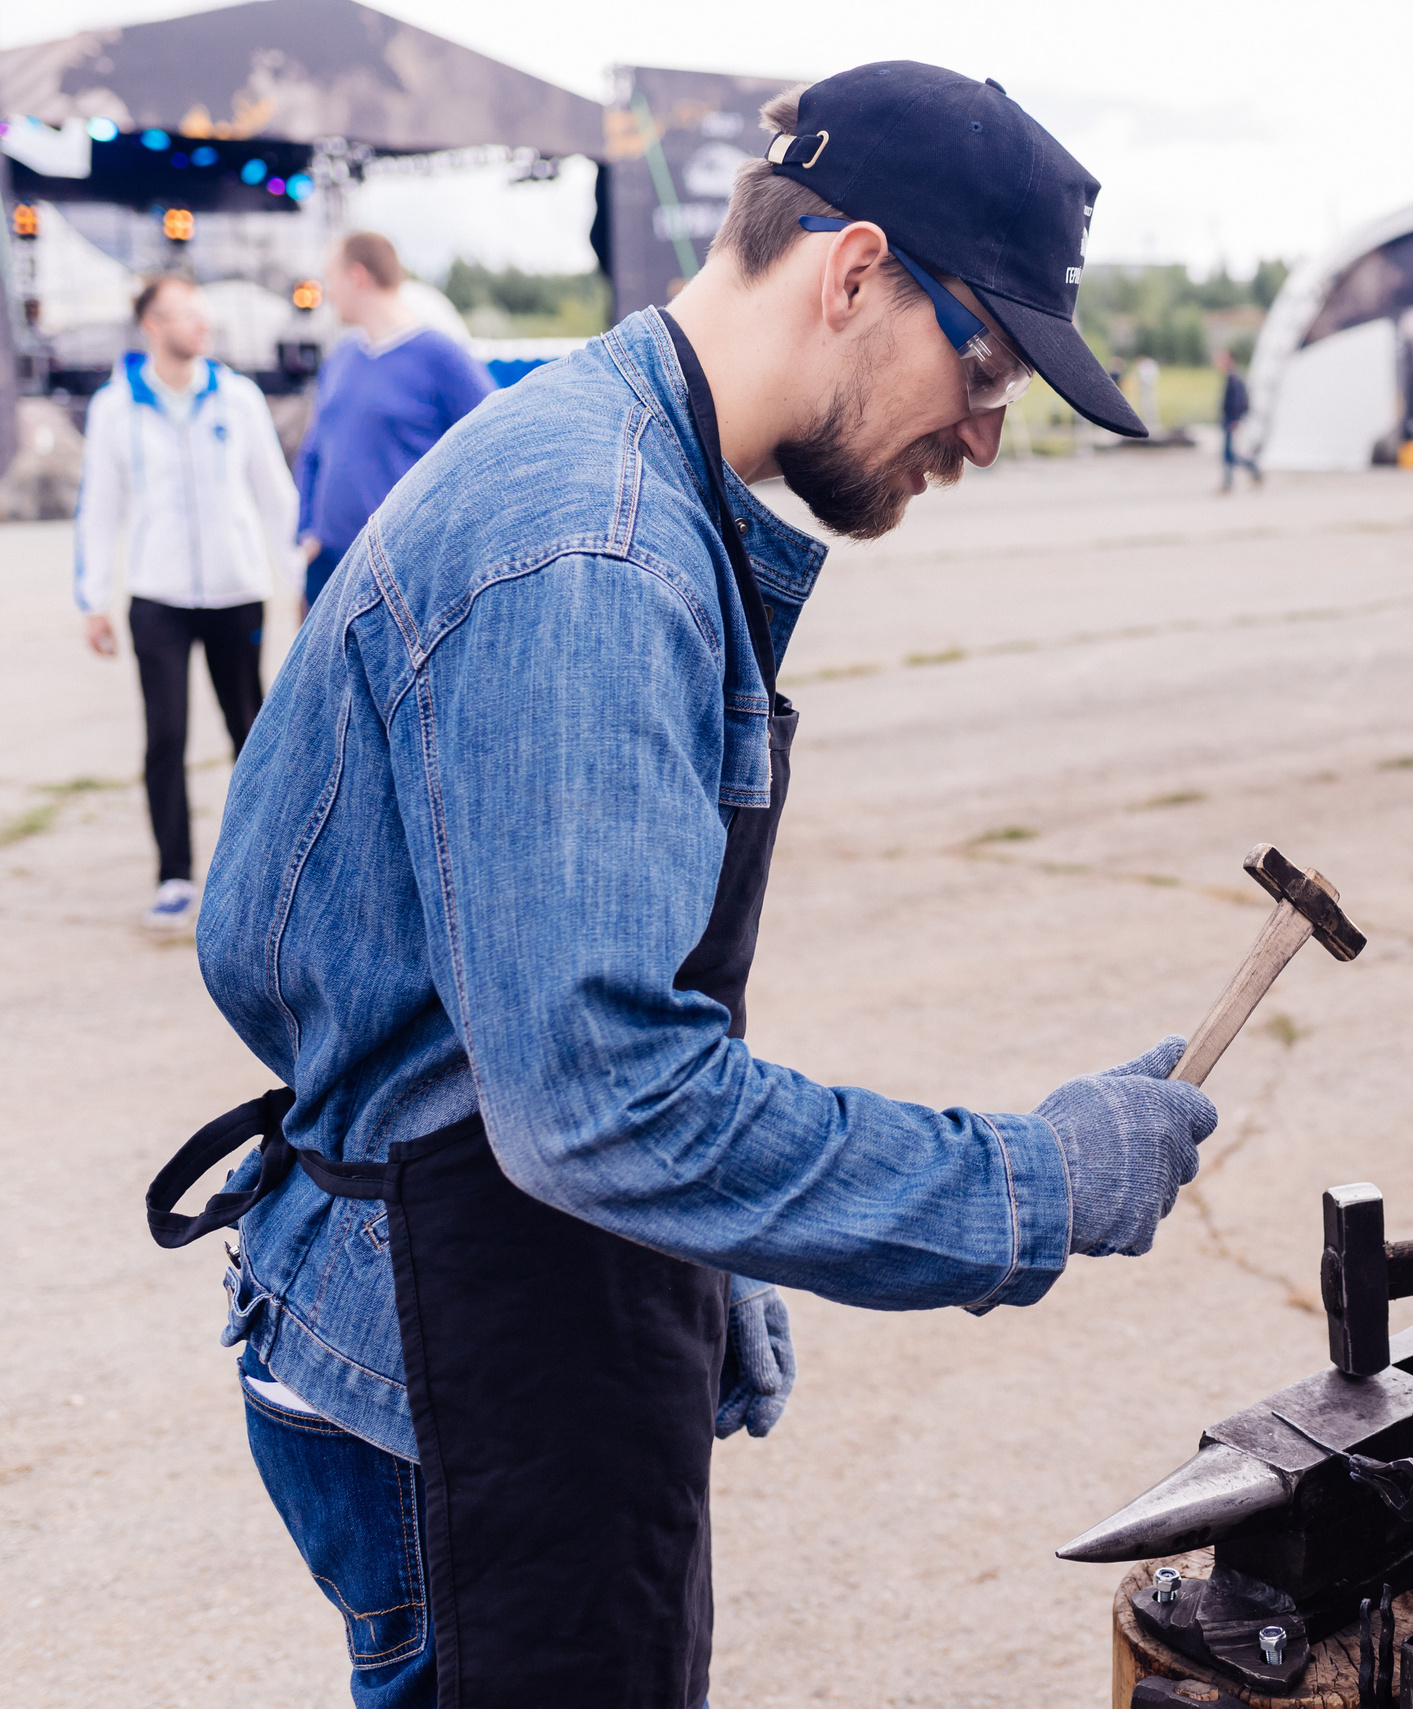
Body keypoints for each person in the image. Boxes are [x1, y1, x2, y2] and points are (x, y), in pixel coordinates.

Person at [146, 64, 1201, 1709]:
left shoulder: (613, 457)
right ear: (855, 271)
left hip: (487, 1281)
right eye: (986, 363)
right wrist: (1031, 1183)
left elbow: (515, 1014)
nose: (988, 433)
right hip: (458, 1364)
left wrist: (703, 1253)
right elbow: (604, 1102)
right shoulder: (595, 546)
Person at [72, 274, 298, 928]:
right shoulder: (115, 408)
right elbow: (99, 507)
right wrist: (92, 598)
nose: (202, 324)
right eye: (184, 314)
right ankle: (174, 875)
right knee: (165, 736)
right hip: (158, 595)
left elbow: (275, 495)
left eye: (203, 313)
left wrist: (301, 582)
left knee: (249, 733)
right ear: (152, 326)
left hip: (237, 592)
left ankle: (265, 870)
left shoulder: (238, 397)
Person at [294, 231, 491, 612]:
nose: (327, 293)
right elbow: (314, 450)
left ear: (357, 276)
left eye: (330, 278)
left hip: (400, 575)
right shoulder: (342, 356)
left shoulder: (440, 355)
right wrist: (306, 531)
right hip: (330, 566)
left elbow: (492, 446)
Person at [1216, 345, 1261, 492]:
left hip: (1231, 420)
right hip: (1229, 419)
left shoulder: (1234, 377)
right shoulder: (1231, 376)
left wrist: (1235, 419)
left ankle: (1251, 470)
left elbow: (1239, 400)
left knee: (1229, 454)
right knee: (1228, 454)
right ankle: (1248, 472)